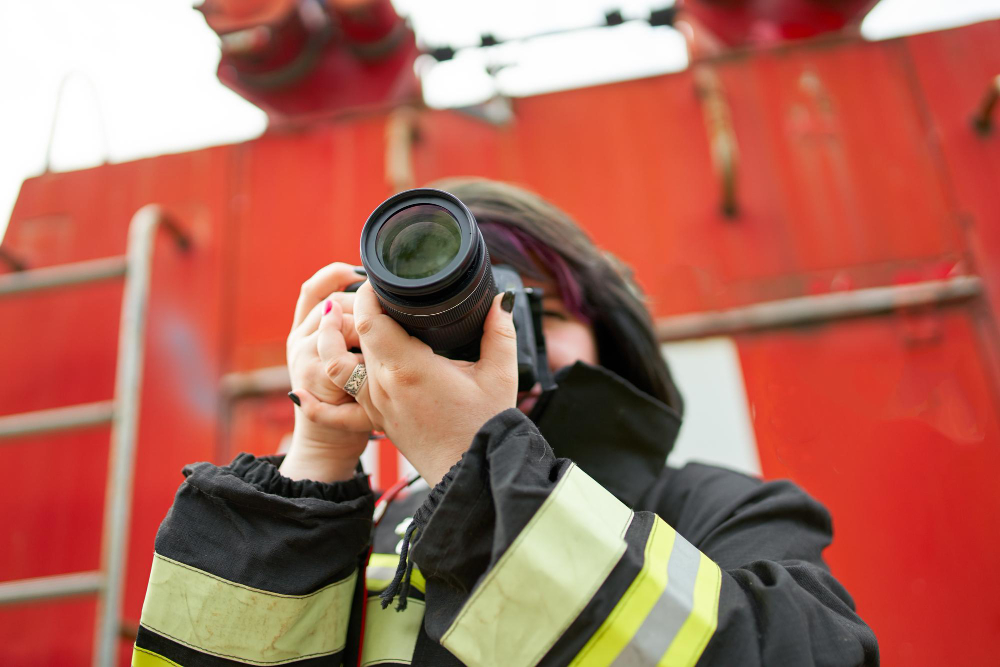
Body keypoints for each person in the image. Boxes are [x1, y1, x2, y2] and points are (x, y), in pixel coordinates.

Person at [132, 179, 879, 667]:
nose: (504, 342)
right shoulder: (351, 531)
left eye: (533, 312)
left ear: (606, 340)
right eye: (459, 325)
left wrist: (478, 459)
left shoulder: (722, 508)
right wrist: (318, 452)